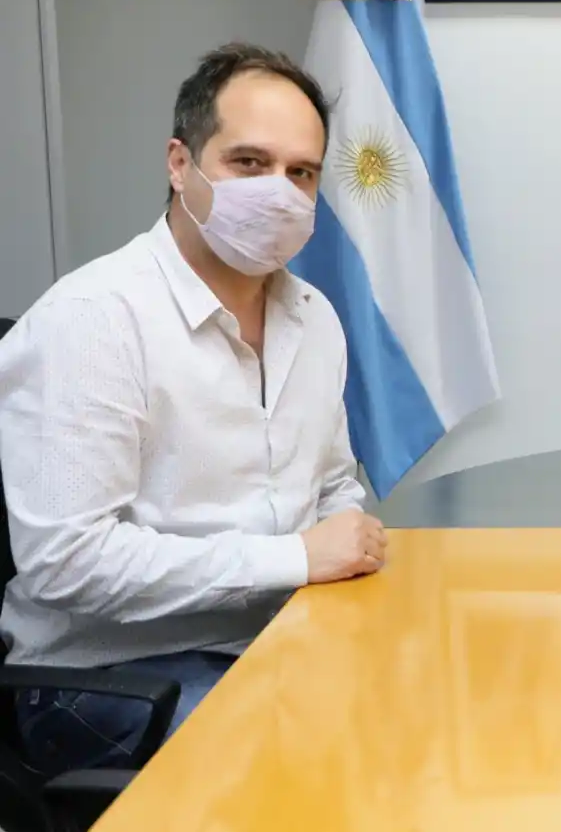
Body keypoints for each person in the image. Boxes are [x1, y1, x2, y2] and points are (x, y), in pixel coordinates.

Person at [0, 43, 387, 775]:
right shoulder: (93, 319)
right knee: (305, 765)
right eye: (249, 162)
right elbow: (67, 562)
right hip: (112, 675)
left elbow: (333, 483)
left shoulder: (315, 317)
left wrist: (346, 534)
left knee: (416, 710)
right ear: (181, 165)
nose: (279, 191)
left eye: (301, 172)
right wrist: (293, 558)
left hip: (278, 639)